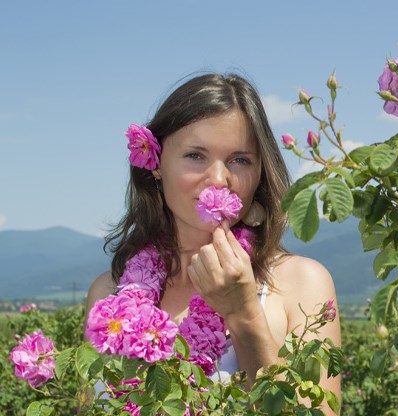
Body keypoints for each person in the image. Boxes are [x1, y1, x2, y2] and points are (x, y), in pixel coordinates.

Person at [86, 73, 341, 413]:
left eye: (240, 160)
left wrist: (244, 314)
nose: (219, 179)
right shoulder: (109, 294)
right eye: (195, 155)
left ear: (260, 172)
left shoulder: (299, 284)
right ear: (156, 165)